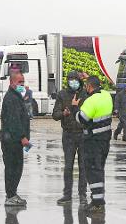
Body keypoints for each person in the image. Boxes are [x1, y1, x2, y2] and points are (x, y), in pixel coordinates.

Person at [76, 76, 113, 214]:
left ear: (89, 87)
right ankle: (99, 199)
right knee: (99, 169)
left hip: (93, 140)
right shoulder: (106, 96)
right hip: (105, 139)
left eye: (86, 86)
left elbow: (82, 118)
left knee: (93, 171)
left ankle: (97, 203)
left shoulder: (90, 101)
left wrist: (76, 108)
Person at [52, 71, 89, 206]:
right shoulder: (62, 94)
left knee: (83, 166)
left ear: (79, 81)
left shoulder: (85, 93)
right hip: (68, 134)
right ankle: (67, 195)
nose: (73, 82)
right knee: (68, 166)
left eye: (75, 79)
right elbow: (55, 114)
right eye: (70, 79)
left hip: (83, 134)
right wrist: (63, 113)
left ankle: (83, 195)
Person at [0, 71, 31, 206]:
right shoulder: (11, 98)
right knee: (13, 168)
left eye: (23, 82)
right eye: (19, 82)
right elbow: (14, 121)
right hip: (11, 140)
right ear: (11, 83)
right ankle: (10, 195)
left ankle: (12, 193)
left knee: (17, 168)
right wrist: (22, 137)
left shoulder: (17, 96)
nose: (22, 85)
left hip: (14, 139)